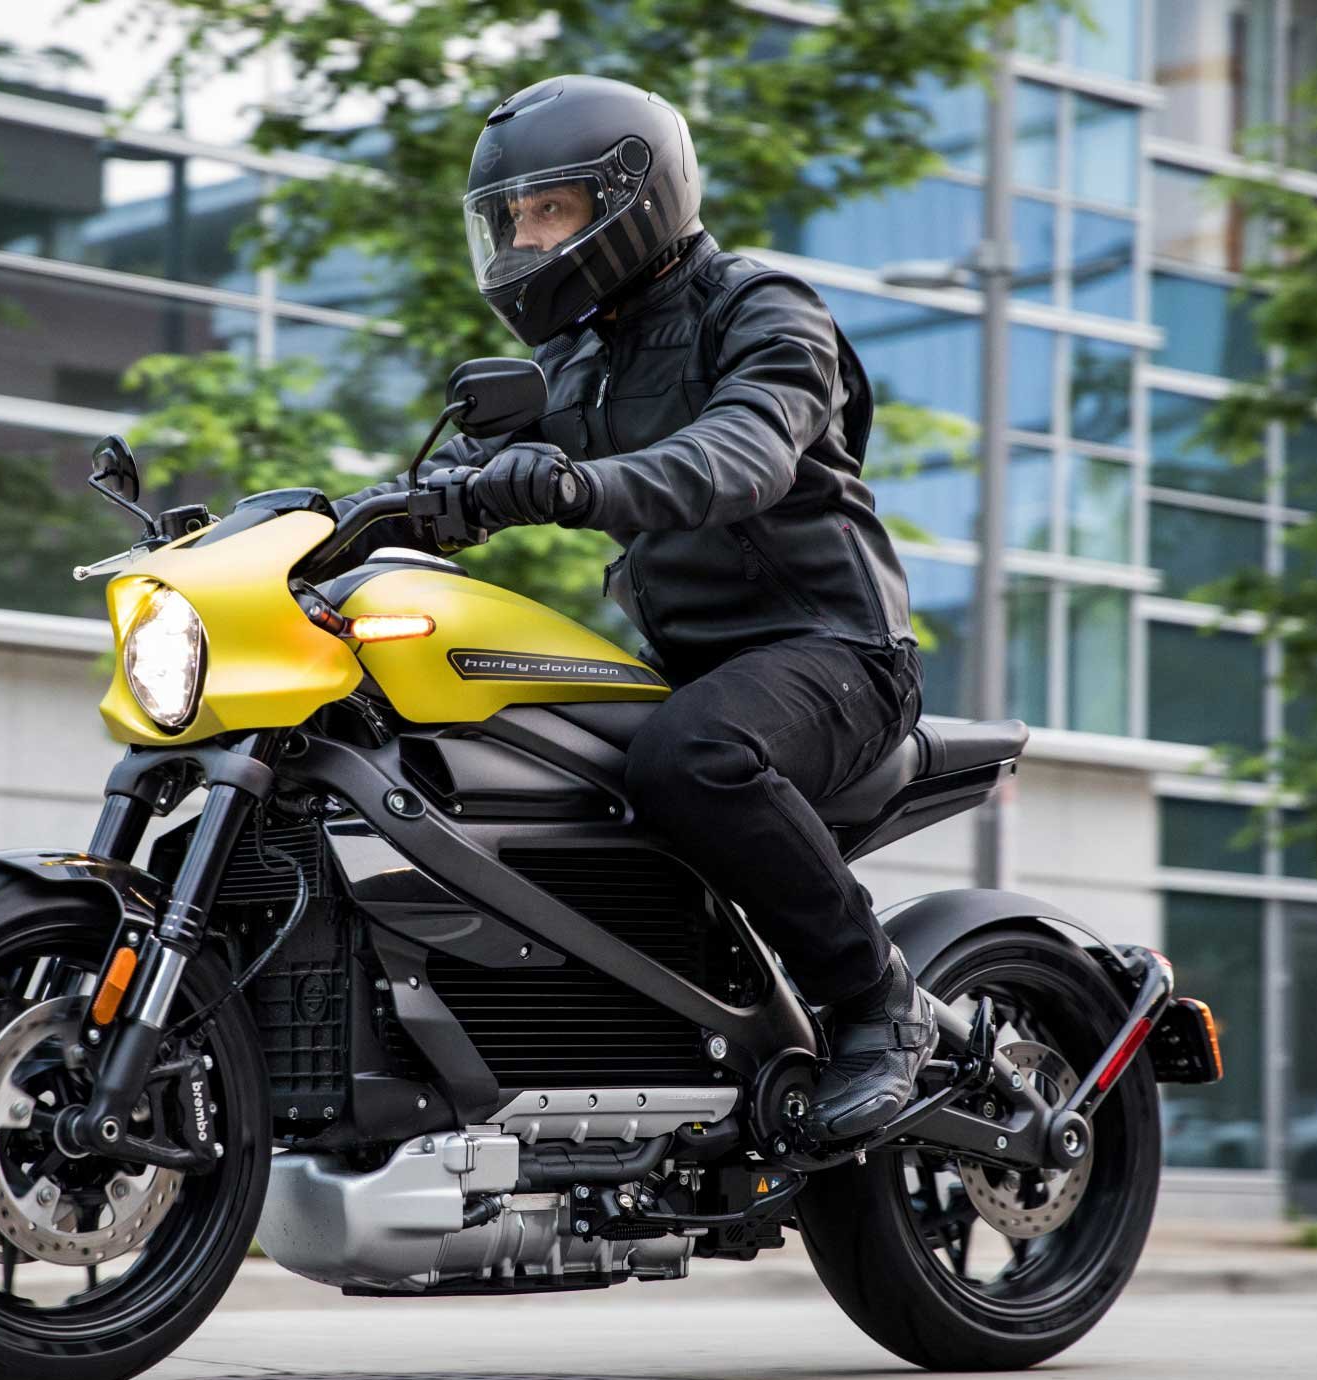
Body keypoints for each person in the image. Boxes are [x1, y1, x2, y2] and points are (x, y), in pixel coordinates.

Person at [333, 74, 933, 1140]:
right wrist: (330, 521)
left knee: (686, 759)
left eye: (548, 210)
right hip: (695, 670)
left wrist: (575, 487)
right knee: (531, 763)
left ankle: (877, 996)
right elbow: (456, 477)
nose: (523, 240)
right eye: (510, 219)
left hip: (834, 653)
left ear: (633, 201)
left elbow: (741, 453)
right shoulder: (574, 358)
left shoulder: (761, 308)